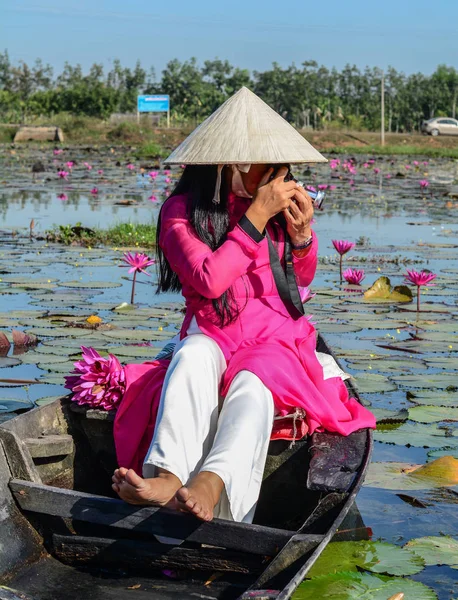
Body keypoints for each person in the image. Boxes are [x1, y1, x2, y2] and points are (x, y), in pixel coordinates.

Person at [112, 87, 376, 524]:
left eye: (281, 167)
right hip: (214, 331)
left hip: (275, 338)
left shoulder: (272, 211)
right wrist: (255, 216)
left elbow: (299, 280)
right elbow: (210, 280)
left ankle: (210, 485)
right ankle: (166, 475)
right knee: (193, 355)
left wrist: (302, 236)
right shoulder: (180, 213)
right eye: (268, 165)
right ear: (229, 165)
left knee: (254, 384)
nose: (280, 176)